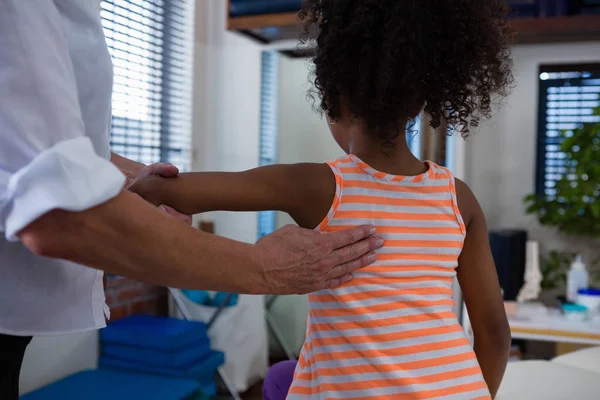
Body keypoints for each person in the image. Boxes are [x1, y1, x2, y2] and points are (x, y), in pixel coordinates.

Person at [131, 0, 516, 398]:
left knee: (282, 377)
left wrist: (149, 182)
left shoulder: (319, 186)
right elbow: (494, 334)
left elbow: (160, 190)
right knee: (285, 376)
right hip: (458, 388)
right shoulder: (459, 199)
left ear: (333, 96)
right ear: (422, 102)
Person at [0, 1, 383, 398]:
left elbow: (48, 150)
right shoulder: (452, 192)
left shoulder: (315, 180)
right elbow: (51, 196)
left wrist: (135, 181)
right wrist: (262, 266)